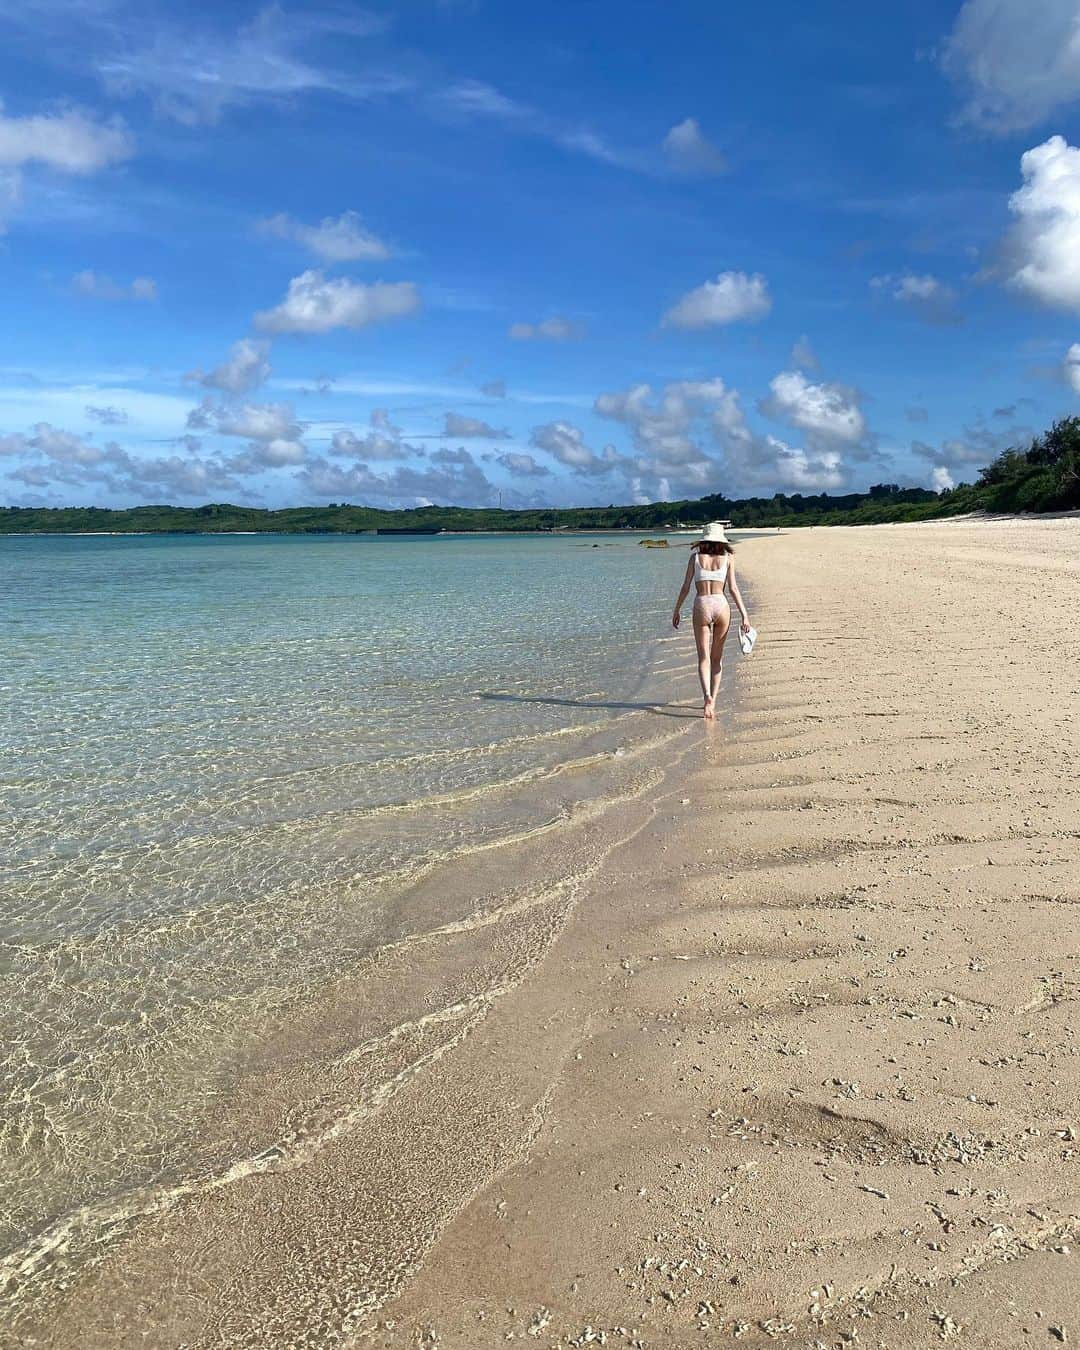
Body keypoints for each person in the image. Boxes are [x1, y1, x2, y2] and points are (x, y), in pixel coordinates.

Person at [671, 521, 751, 720]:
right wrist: (744, 615)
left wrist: (677, 609)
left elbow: (685, 587)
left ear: (704, 540)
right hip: (721, 604)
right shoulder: (728, 558)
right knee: (717, 659)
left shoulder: (695, 558)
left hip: (702, 604)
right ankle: (713, 701)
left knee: (703, 658)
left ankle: (706, 696)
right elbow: (733, 588)